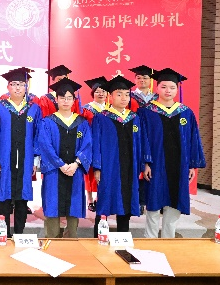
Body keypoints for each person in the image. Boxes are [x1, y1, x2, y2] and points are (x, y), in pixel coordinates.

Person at [138, 68, 206, 238]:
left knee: (174, 203)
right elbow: (142, 139)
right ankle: (150, 239)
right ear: (157, 88)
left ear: (177, 89)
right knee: (153, 203)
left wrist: (192, 165)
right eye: (163, 87)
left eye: (172, 87)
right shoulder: (146, 112)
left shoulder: (186, 112)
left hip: (179, 165)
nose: (168, 91)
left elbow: (193, 139)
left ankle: (169, 240)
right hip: (156, 164)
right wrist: (145, 163)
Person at [37, 78, 91, 238]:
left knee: (73, 206)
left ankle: (71, 239)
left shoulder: (81, 123)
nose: (66, 101)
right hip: (54, 171)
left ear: (74, 100)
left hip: (75, 171)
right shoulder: (47, 122)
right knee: (52, 205)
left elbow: (87, 145)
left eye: (69, 98)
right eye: (62, 98)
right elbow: (45, 146)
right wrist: (60, 164)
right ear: (56, 99)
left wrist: (76, 164)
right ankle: (51, 240)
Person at [91, 75, 146, 236]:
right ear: (111, 96)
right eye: (119, 94)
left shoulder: (134, 118)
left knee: (126, 202)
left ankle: (123, 238)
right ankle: (97, 238)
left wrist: (142, 164)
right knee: (104, 201)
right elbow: (96, 144)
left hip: (129, 167)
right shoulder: (101, 118)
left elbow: (140, 143)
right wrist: (97, 167)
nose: (124, 98)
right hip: (109, 167)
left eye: (127, 94)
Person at [0, 67, 42, 236]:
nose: (18, 88)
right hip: (5, 159)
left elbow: (37, 135)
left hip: (26, 160)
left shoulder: (34, 109)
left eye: (21, 84)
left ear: (26, 87)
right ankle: (3, 232)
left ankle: (19, 233)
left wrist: (35, 160)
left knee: (22, 197)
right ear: (8, 87)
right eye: (14, 84)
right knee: (4, 196)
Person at [128, 64, 157, 215]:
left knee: (153, 167)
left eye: (145, 78)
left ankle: (152, 200)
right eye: (138, 78)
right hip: (136, 135)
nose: (142, 80)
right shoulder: (129, 97)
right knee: (137, 166)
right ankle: (138, 201)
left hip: (153, 136)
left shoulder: (157, 98)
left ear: (150, 80)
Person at [81, 76, 108, 213]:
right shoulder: (86, 109)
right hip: (90, 143)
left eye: (103, 91)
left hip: (105, 144)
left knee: (104, 171)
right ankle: (90, 199)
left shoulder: (110, 109)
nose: (101, 93)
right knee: (89, 172)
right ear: (93, 93)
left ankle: (99, 198)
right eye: (97, 91)